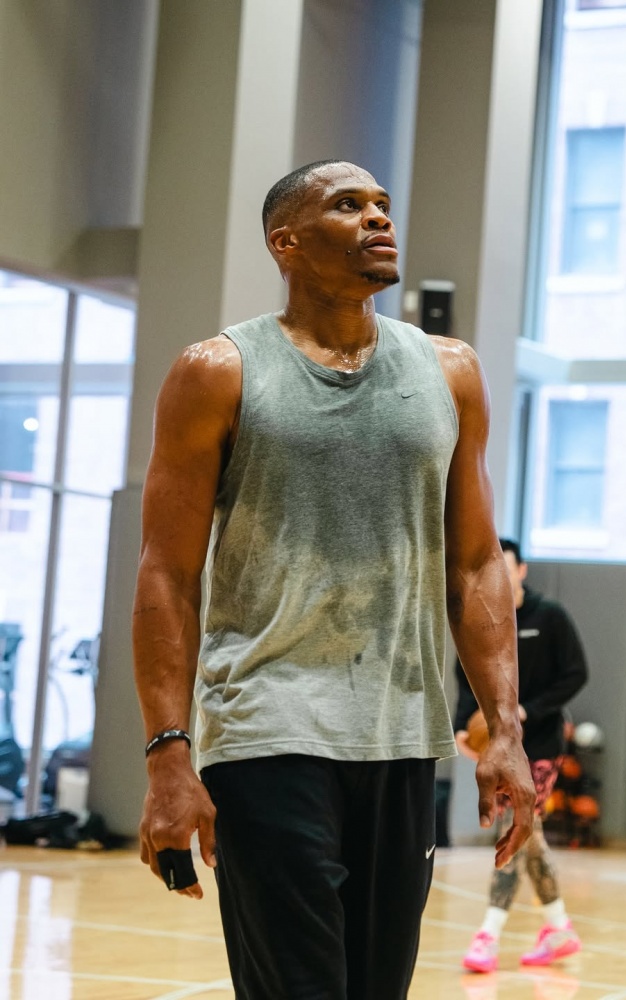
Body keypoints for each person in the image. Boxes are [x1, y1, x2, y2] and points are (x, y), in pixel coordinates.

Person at [132, 159, 536, 1000]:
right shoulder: (217, 371)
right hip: (265, 730)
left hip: (402, 733)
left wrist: (505, 727)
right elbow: (167, 573)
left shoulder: (451, 372)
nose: (378, 218)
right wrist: (169, 755)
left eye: (382, 204)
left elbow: (475, 564)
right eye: (348, 206)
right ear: (286, 242)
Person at [455, 538, 588, 973]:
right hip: (499, 746)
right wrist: (462, 727)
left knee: (517, 827)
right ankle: (559, 928)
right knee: (530, 835)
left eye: (506, 566)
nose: (500, 573)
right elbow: (465, 676)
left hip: (542, 746)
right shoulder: (482, 617)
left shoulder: (549, 617)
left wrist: (530, 711)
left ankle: (488, 935)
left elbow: (576, 674)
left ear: (521, 570)